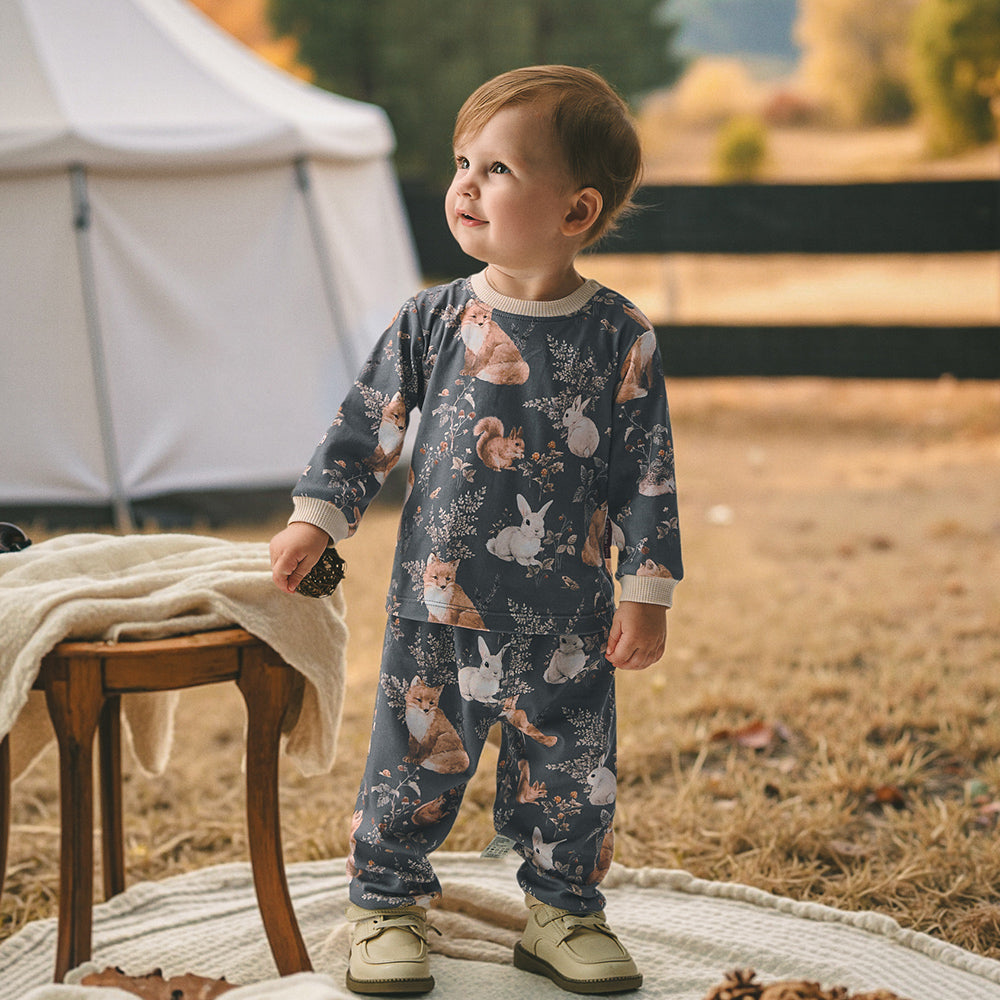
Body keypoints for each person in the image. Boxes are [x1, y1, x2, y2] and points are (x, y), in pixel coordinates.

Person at [270, 64, 683, 996]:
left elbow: (645, 473)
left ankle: (564, 911)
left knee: (572, 775)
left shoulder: (622, 336)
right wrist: (315, 520)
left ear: (576, 211)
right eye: (464, 161)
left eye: (497, 168)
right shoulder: (433, 317)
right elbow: (367, 424)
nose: (464, 184)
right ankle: (383, 906)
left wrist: (647, 594)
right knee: (410, 762)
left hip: (570, 616)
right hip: (436, 606)